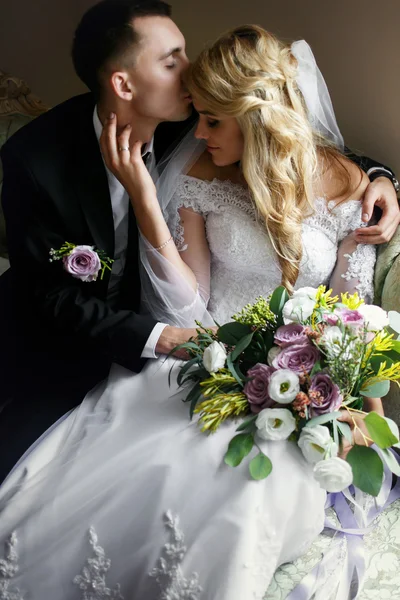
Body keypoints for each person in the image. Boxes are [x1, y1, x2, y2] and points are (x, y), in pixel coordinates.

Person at [0, 23, 394, 599]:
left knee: (249, 491)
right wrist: (143, 198)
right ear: (122, 83)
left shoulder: (215, 122)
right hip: (173, 347)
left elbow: (345, 304)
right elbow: (178, 305)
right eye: (172, 59)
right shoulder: (50, 158)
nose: (188, 87)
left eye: (213, 118)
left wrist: (382, 183)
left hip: (297, 373)